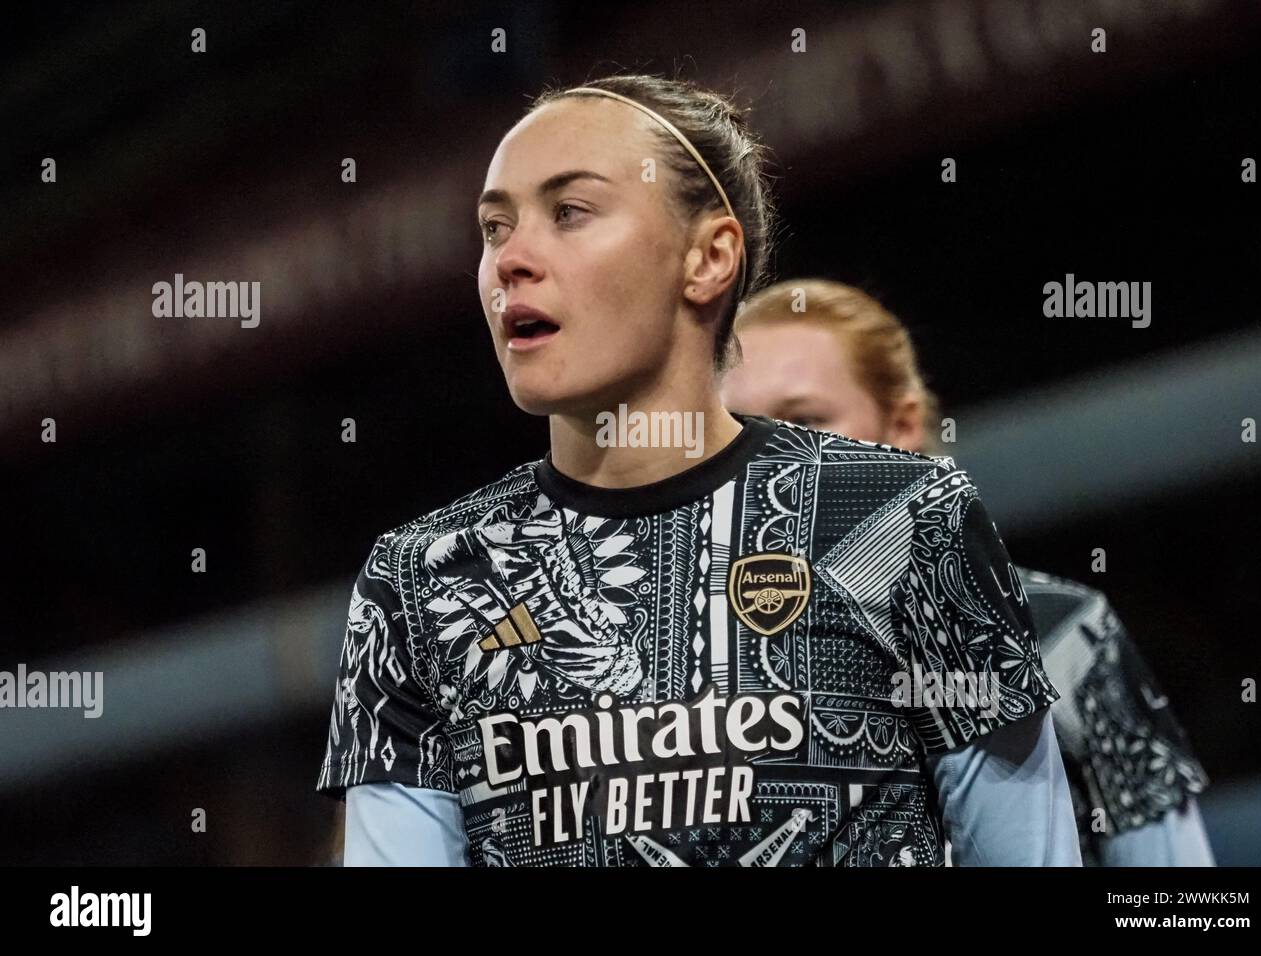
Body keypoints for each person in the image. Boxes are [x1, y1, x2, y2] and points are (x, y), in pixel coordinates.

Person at [316, 74, 1080, 866]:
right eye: (493, 226)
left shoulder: (902, 517)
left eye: (569, 211)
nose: (510, 259)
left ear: (709, 257)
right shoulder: (420, 580)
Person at [721, 278, 1214, 866]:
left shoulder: (1063, 632)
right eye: (744, 427)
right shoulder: (675, 648)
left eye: (804, 419)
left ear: (902, 426)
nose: (777, 456)